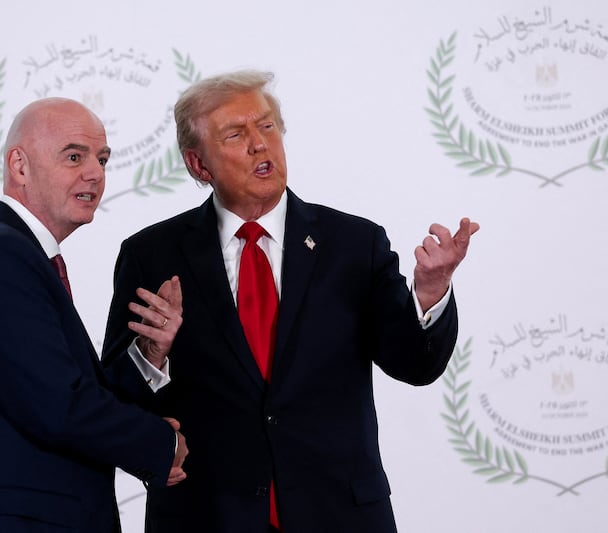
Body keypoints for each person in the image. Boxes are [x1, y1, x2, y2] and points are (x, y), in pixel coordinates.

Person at [102, 71, 479, 533]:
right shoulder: (152, 255)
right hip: (205, 517)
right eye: (236, 134)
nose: (260, 144)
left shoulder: (354, 244)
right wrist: (150, 354)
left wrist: (430, 291)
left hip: (339, 516)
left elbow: (415, 365)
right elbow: (116, 401)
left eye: (267, 126)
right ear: (199, 165)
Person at [0, 97, 188, 533]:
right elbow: (58, 405)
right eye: (74, 156)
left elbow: (58, 389)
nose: (95, 173)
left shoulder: (15, 254)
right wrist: (161, 443)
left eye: (101, 159)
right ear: (19, 166)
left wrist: (149, 353)